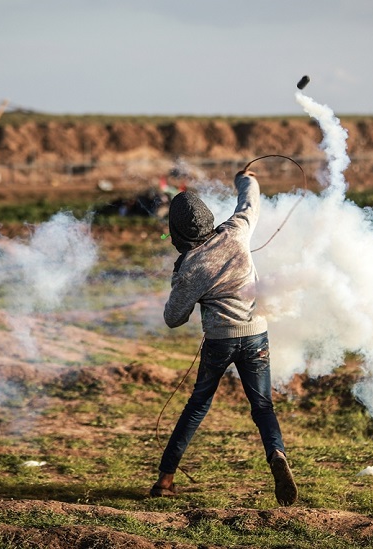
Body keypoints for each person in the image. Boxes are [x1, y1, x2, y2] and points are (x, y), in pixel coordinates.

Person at [149, 167, 297, 506]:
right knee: (262, 406)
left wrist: (182, 281)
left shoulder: (190, 267)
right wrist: (246, 177)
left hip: (219, 341)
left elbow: (173, 319)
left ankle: (165, 479)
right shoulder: (236, 231)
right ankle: (276, 453)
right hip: (256, 335)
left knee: (197, 405)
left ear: (178, 233)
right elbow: (249, 203)